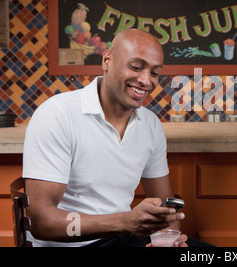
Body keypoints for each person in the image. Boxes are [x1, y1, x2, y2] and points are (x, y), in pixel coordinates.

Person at [22, 28, 187, 247]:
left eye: (155, 73)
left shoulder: (150, 125)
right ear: (107, 60)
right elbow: (41, 222)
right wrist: (125, 222)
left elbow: (168, 213)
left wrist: (167, 241)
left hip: (122, 240)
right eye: (136, 67)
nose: (146, 81)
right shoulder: (58, 114)